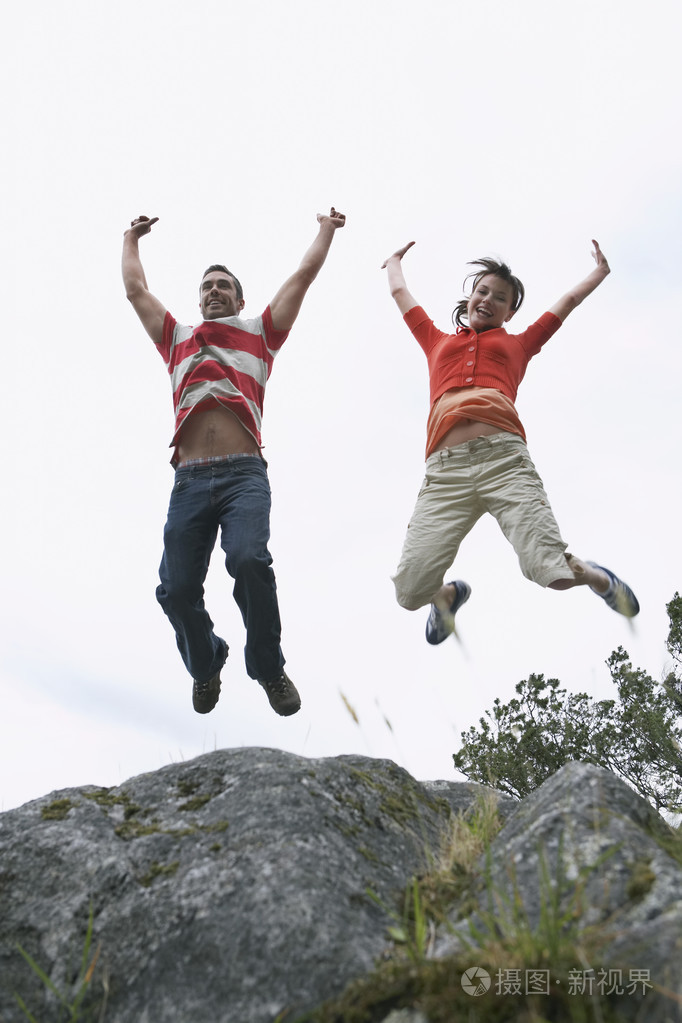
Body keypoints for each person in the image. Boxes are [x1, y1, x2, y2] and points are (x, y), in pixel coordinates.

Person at [122, 208, 346, 714]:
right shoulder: (177, 339)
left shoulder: (260, 334)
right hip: (190, 480)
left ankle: (269, 668)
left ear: (239, 299)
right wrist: (130, 239)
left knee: (249, 561)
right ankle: (206, 664)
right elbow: (136, 291)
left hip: (244, 476)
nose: (214, 292)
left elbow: (303, 277)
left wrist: (325, 230)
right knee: (176, 589)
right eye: (207, 287)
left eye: (223, 286)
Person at [381, 239, 639, 644]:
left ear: (510, 311)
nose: (488, 300)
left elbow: (567, 302)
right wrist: (394, 262)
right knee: (409, 590)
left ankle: (596, 577)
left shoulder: (518, 344)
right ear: (469, 297)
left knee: (550, 572)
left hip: (504, 462)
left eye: (500, 298)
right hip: (446, 474)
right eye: (482, 291)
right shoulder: (436, 342)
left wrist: (599, 272)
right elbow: (400, 293)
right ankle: (444, 598)